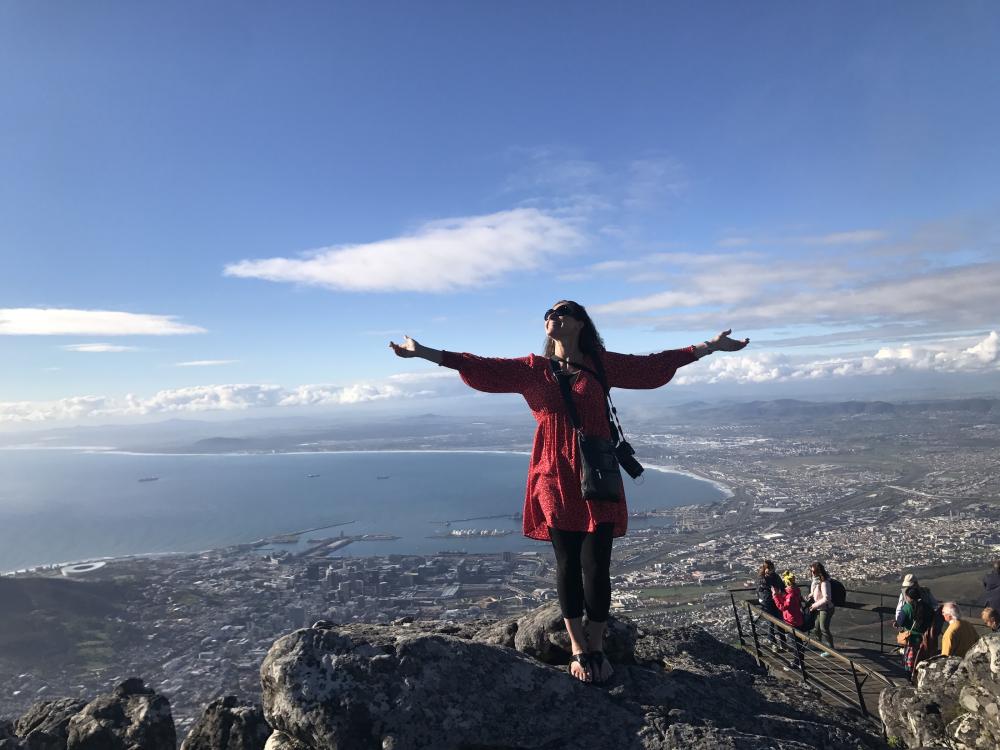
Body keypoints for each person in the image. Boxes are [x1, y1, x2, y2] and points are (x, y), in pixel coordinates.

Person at [390, 301, 748, 684]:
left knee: (597, 563)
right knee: (567, 563)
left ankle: (597, 646)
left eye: (562, 312)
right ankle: (578, 648)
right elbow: (478, 365)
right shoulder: (531, 370)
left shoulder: (600, 363)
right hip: (553, 474)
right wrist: (423, 352)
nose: (552, 317)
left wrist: (708, 346)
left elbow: (652, 365)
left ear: (580, 324)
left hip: (595, 472)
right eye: (547, 313)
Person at [772, 571, 805, 669]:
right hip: (798, 619)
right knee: (798, 642)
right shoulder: (796, 591)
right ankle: (800, 663)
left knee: (795, 643)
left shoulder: (790, 596)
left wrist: (775, 596)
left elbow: (782, 607)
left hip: (792, 621)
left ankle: (797, 663)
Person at [899, 584, 933, 678]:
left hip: (912, 640)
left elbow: (900, 622)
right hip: (925, 640)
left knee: (910, 665)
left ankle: (910, 679)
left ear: (909, 597)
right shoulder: (927, 607)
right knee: (922, 662)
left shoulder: (907, 608)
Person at [756, 560, 787, 651]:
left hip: (776, 602)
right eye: (768, 568)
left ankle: (783, 643)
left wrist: (780, 593)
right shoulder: (762, 579)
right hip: (767, 603)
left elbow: (782, 587)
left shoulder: (776, 577)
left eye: (771, 568)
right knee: (771, 623)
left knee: (780, 622)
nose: (770, 570)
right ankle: (774, 643)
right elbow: (760, 591)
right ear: (765, 569)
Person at [807, 561, 835, 654]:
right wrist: (811, 595)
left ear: (818, 572)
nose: (811, 573)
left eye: (813, 572)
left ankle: (831, 650)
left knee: (823, 628)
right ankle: (818, 645)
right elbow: (817, 592)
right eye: (811, 571)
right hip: (820, 608)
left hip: (825, 609)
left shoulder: (824, 582)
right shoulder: (817, 581)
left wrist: (814, 605)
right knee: (816, 627)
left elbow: (827, 598)